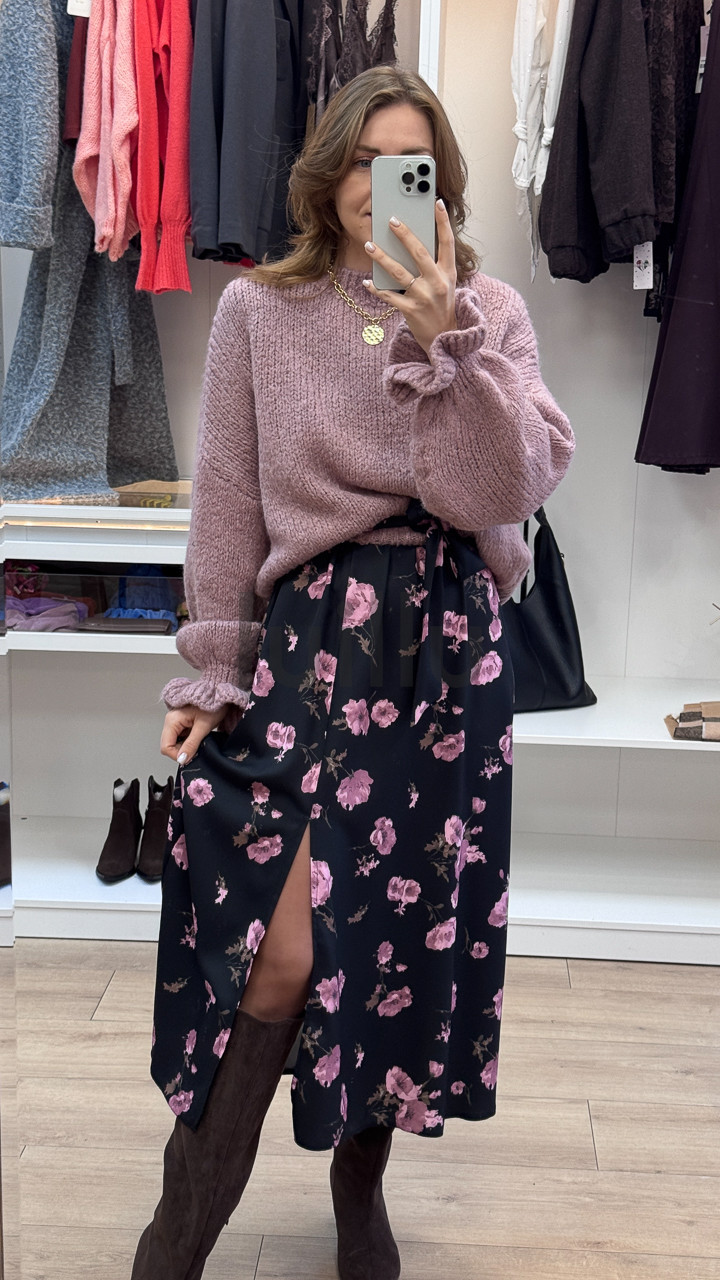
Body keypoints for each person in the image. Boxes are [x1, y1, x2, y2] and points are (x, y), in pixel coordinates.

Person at [131, 65, 575, 1280]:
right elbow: (226, 505)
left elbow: (503, 491)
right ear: (329, 172)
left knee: (395, 940)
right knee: (277, 950)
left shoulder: (488, 311)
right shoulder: (258, 312)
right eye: (366, 161)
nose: (384, 186)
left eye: (409, 164)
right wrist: (212, 671)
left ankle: (359, 1187)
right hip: (314, 648)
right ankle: (176, 1236)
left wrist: (451, 344)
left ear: (440, 182)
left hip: (448, 658)